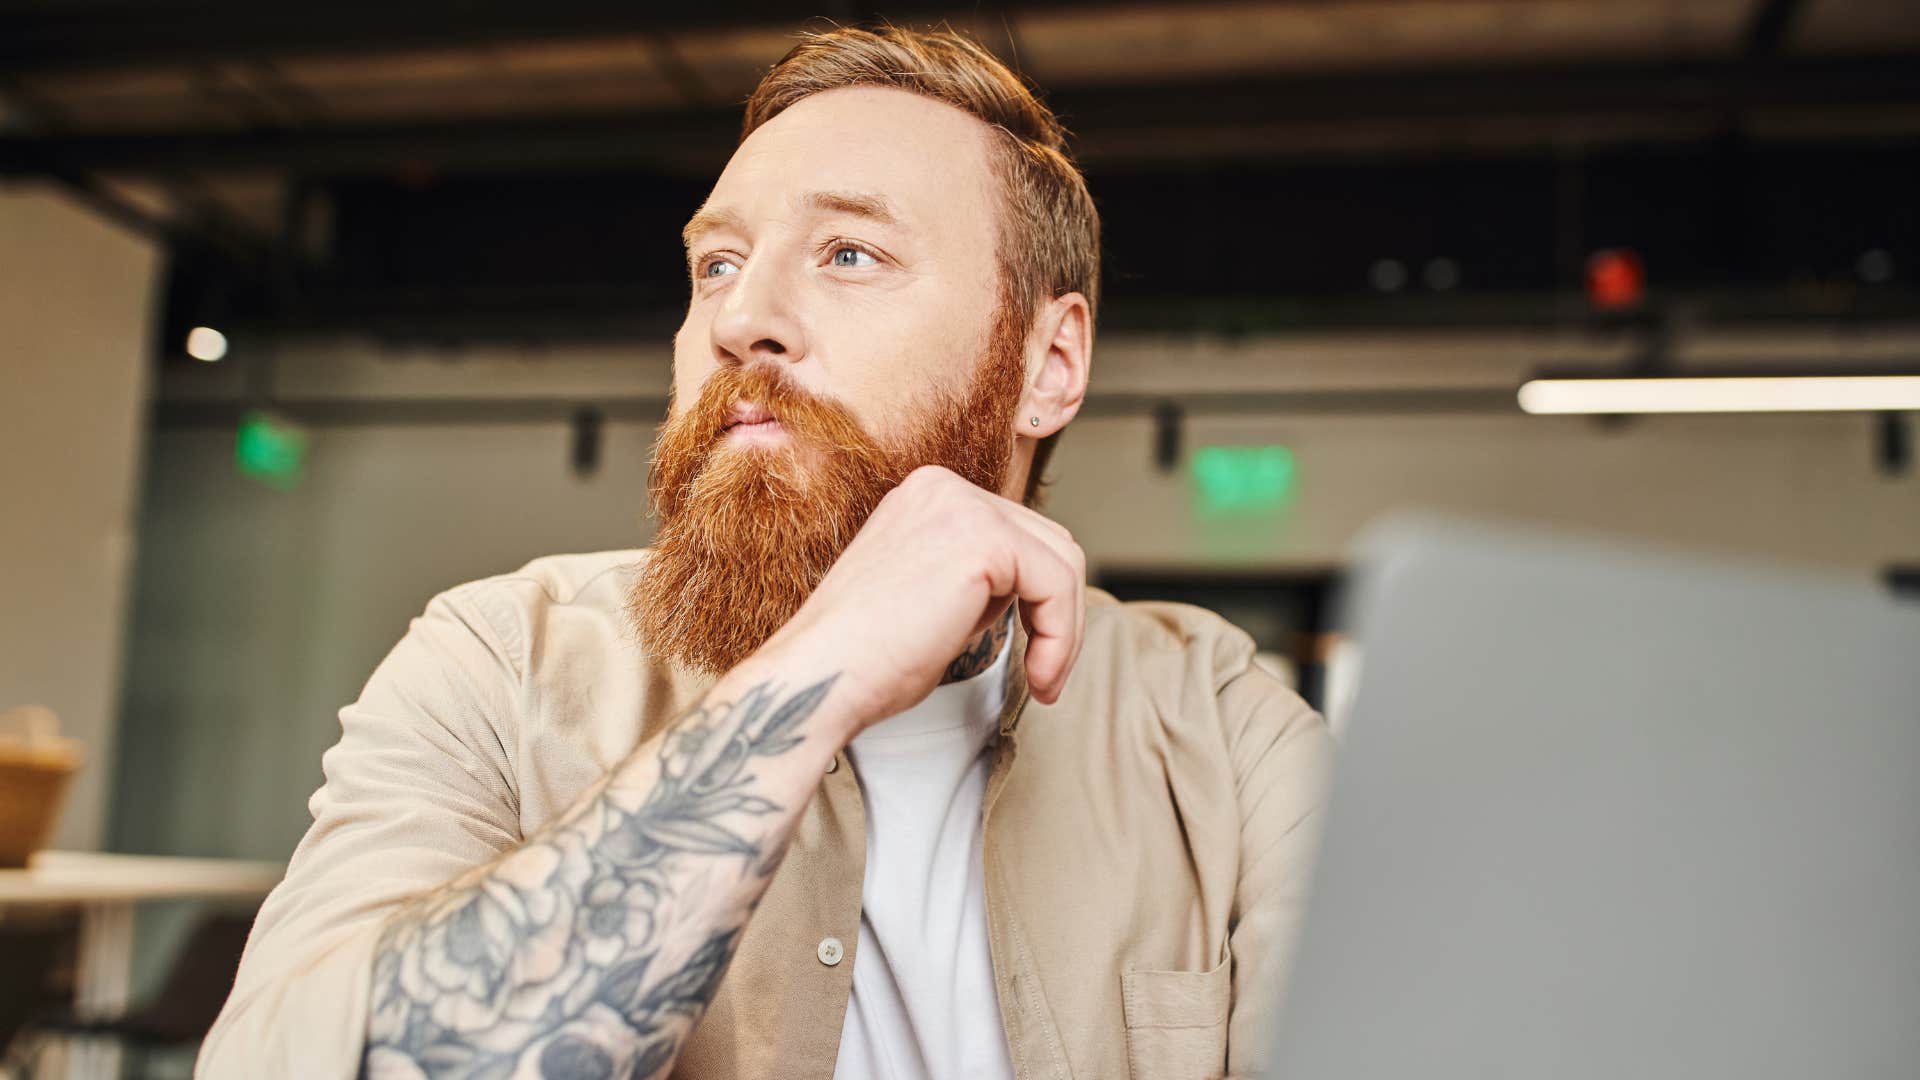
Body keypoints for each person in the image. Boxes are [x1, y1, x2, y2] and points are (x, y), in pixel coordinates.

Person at [199, 24, 1333, 1080]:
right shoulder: (499, 665)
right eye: (718, 265)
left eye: (848, 253)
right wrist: (814, 676)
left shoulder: (1221, 725)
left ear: (1050, 363)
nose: (741, 321)